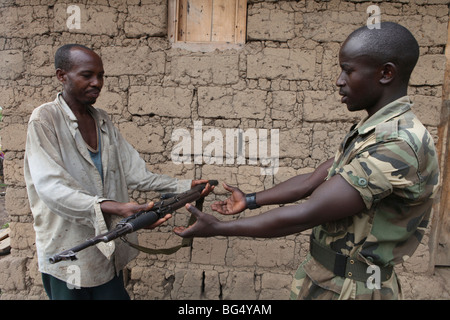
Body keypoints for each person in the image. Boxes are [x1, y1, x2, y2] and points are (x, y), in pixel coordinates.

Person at [174, 22, 440, 300]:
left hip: (355, 290)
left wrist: (218, 229)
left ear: (386, 73)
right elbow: (312, 181)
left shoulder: (398, 144)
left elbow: (308, 212)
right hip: (329, 281)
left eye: (348, 70)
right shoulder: (373, 131)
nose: (339, 80)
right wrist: (250, 200)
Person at [24, 44, 213, 300]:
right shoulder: (45, 120)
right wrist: (116, 208)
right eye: (87, 75)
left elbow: (137, 174)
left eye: (101, 75)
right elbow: (52, 189)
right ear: (62, 76)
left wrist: (185, 185)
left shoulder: (102, 121)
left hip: (106, 251)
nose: (97, 82)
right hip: (67, 250)